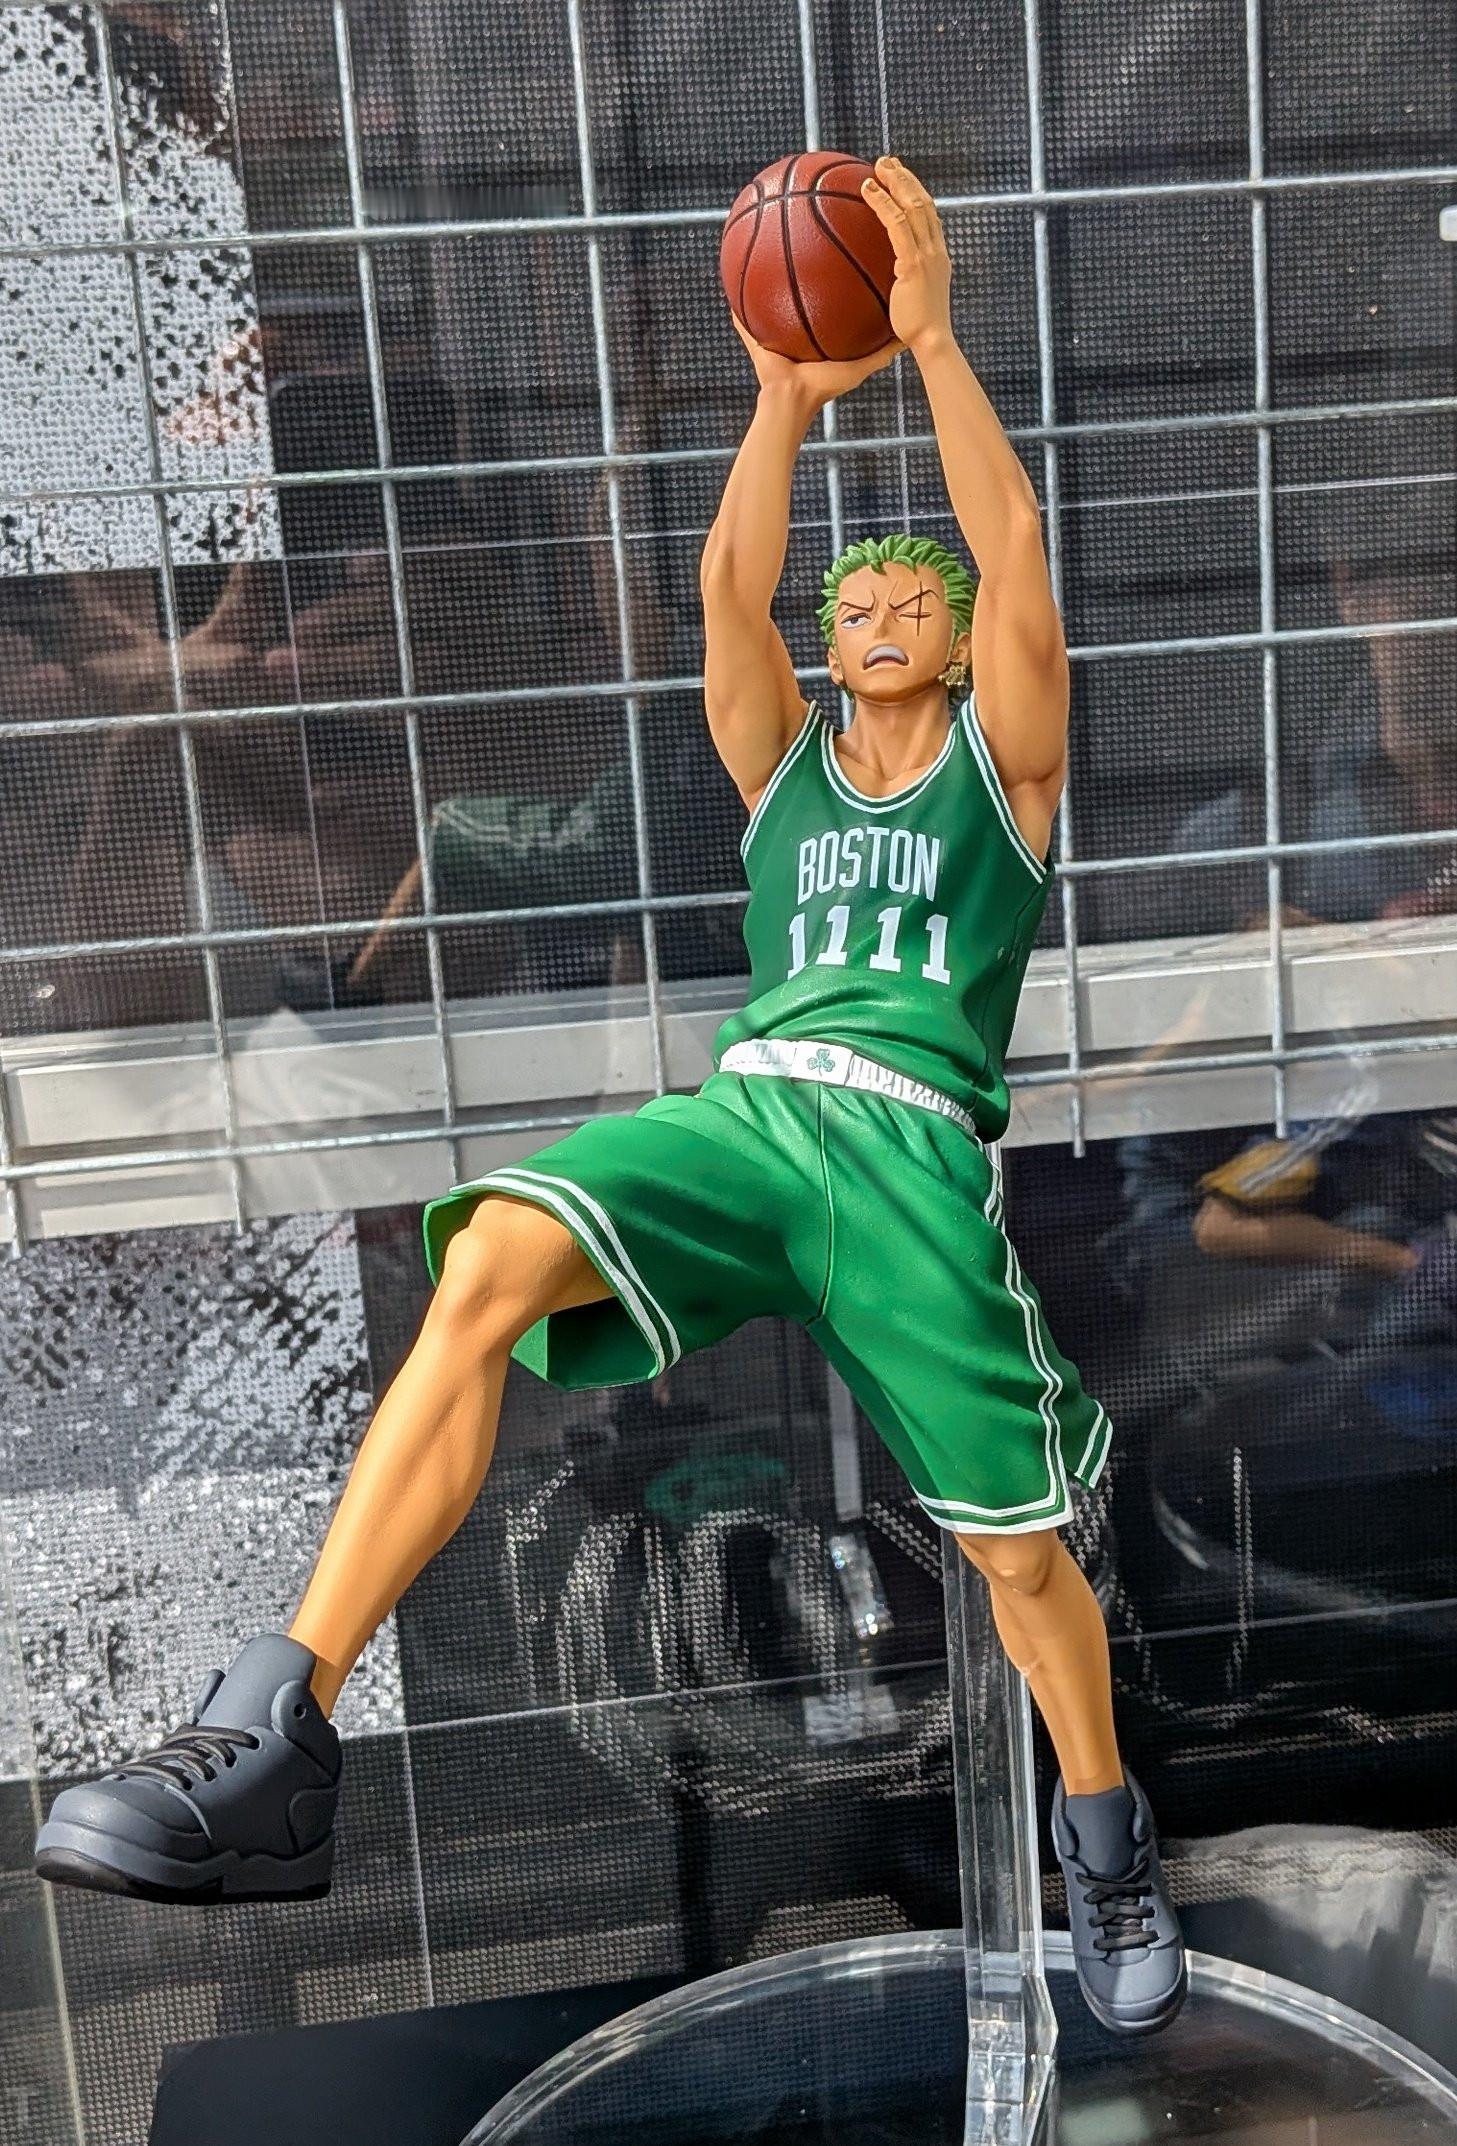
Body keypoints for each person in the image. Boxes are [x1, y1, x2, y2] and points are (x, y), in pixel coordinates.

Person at [33, 155, 1185, 2038]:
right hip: (757, 1107)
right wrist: (780, 399)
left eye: (915, 595)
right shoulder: (787, 777)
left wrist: (928, 343)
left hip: (903, 1146)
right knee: (486, 1258)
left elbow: (1021, 559)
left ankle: (1102, 1824)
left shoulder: (1004, 778)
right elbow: (726, 591)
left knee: (1015, 1554)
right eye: (857, 597)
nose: (877, 606)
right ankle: (273, 1728)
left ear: (962, 638)